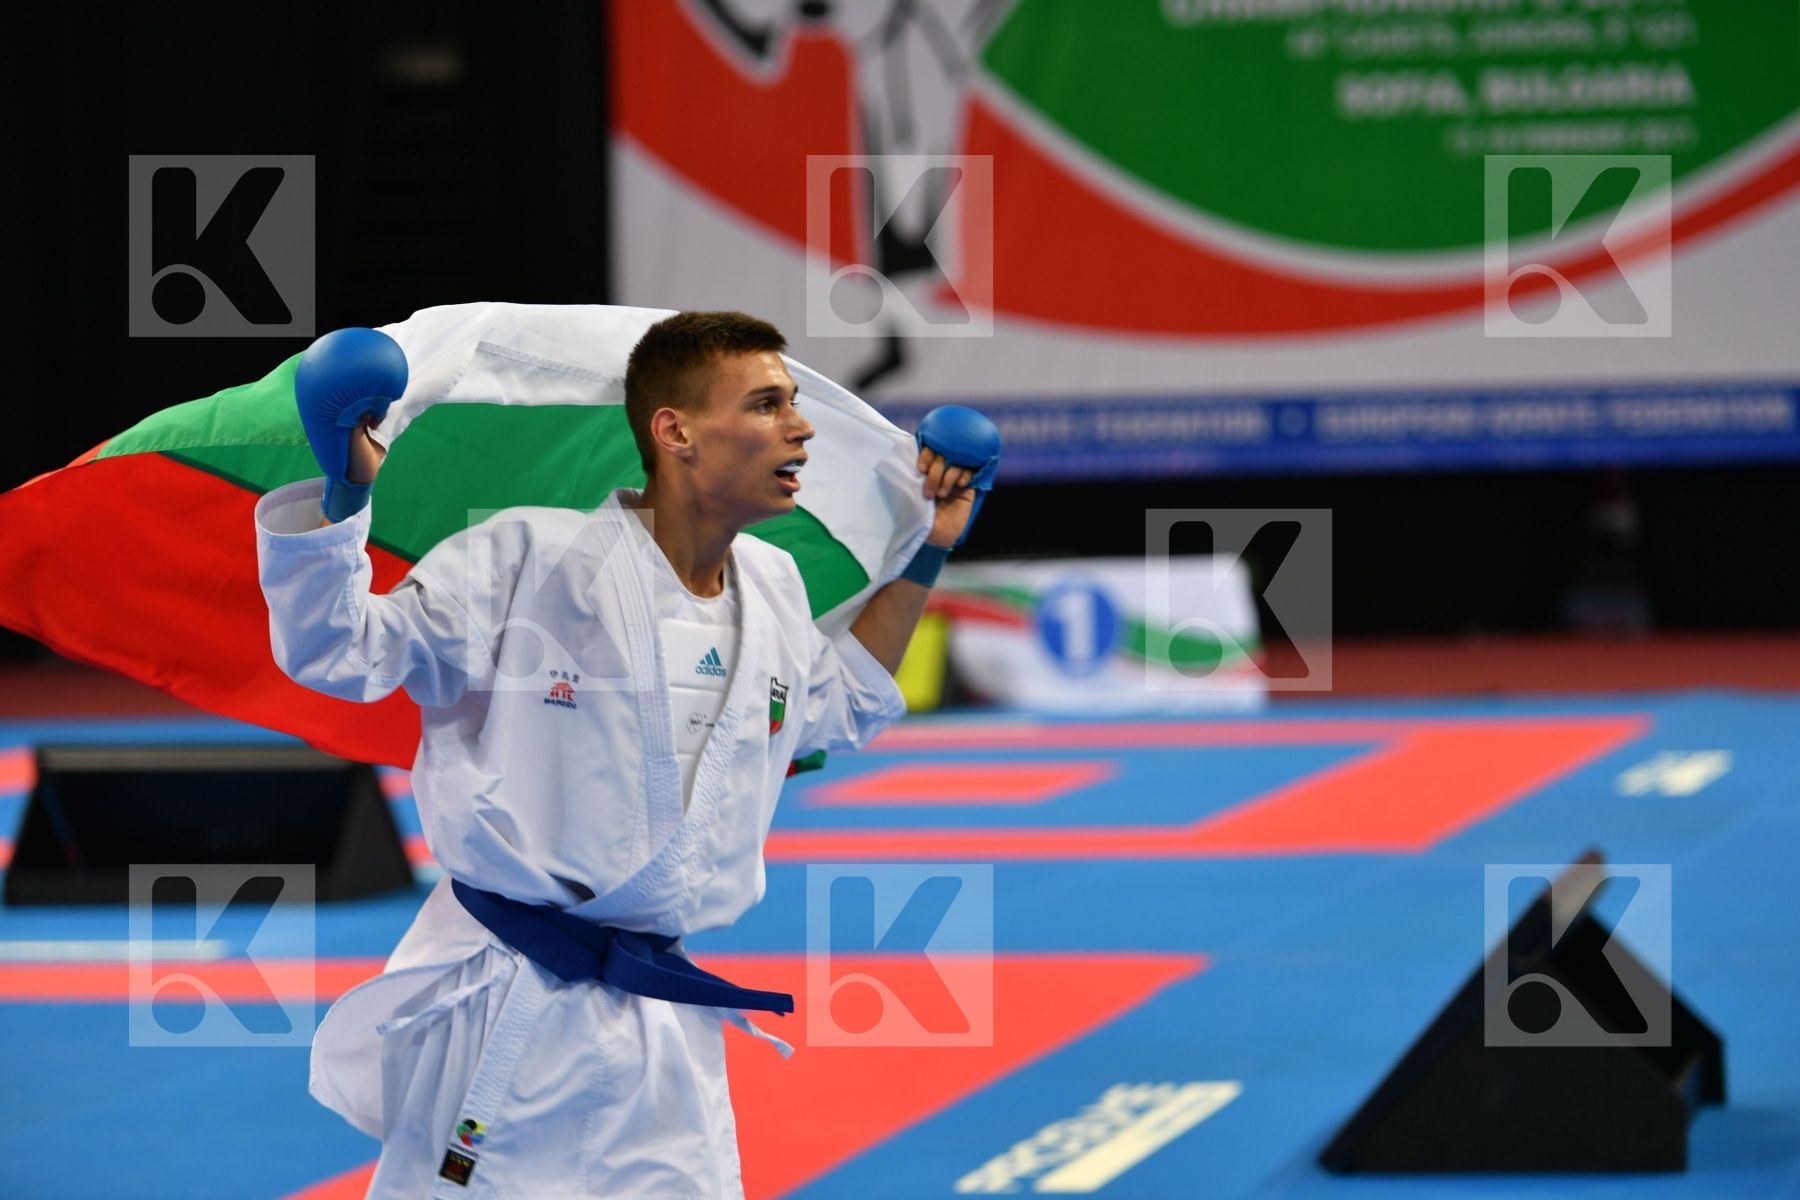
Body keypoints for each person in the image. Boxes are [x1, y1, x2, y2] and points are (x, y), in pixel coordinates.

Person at [255, 310, 987, 1198]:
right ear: (674, 432)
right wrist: (345, 495)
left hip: (660, 1021)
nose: (800, 428)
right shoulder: (526, 556)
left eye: (794, 402)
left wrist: (927, 552)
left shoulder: (775, 587)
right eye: (766, 404)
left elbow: (838, 705)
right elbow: (344, 650)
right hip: (508, 1000)